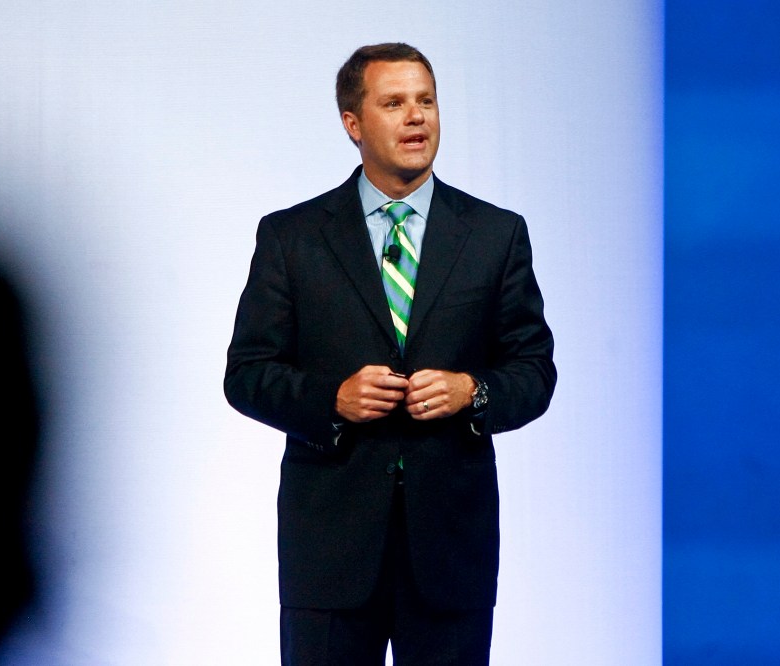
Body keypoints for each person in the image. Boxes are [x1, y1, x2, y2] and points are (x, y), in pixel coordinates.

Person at [224, 43, 556, 665]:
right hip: (329, 549)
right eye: (395, 103)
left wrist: (471, 391)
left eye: (426, 101)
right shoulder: (292, 236)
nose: (416, 117)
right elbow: (246, 374)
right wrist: (332, 399)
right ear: (353, 124)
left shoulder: (495, 234)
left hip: (450, 547)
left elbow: (533, 370)